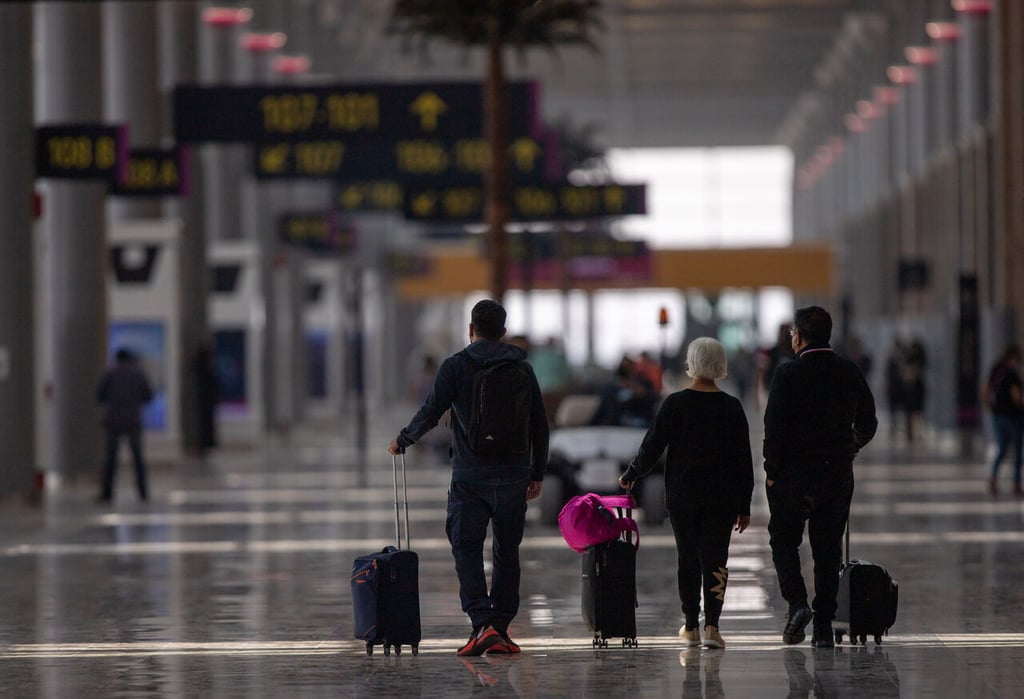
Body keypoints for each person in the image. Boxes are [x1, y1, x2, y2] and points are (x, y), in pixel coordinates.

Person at [388, 299, 549, 656]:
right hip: (514, 475)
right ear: (503, 332)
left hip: (470, 476)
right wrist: (536, 473)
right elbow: (540, 423)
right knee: (507, 551)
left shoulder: (456, 366)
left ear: (471, 329)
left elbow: (432, 411)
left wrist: (403, 439)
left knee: (466, 549)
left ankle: (482, 624)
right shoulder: (522, 369)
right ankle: (500, 628)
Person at [618, 337, 753, 649]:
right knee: (716, 559)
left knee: (688, 558)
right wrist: (744, 505)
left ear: (691, 364)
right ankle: (713, 628)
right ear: (721, 365)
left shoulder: (675, 404)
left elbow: (652, 446)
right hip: (721, 498)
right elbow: (743, 461)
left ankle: (691, 625)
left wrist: (631, 474)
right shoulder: (732, 407)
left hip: (683, 495)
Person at [763, 306, 877, 648]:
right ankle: (824, 626)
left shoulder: (787, 374)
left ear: (798, 336)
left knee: (784, 540)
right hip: (835, 474)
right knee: (827, 549)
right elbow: (868, 422)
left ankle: (797, 604)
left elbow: (774, 428)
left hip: (793, 476)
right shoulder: (848, 371)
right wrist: (852, 445)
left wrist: (771, 471)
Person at [96, 348, 155, 503]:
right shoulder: (138, 374)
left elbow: (99, 395)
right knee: (137, 458)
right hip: (133, 420)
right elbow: (148, 395)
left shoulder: (110, 373)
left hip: (113, 420)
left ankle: (107, 493)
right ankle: (143, 492)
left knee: (111, 458)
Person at [982, 344, 1024, 496]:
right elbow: (1016, 397)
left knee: (1002, 448)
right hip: (1013, 416)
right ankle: (1016, 484)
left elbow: (985, 389)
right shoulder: (1012, 374)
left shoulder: (996, 369)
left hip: (997, 415)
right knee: (1018, 451)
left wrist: (990, 407)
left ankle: (993, 478)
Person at [190, 342, 220, 463]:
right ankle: (204, 445)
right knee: (204, 424)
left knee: (205, 424)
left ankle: (205, 445)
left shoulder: (205, 369)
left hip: (206, 402)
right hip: (205, 402)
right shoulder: (203, 369)